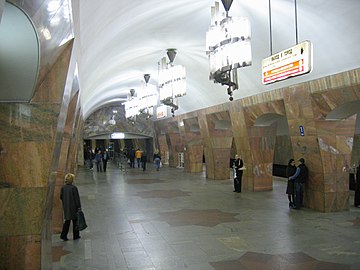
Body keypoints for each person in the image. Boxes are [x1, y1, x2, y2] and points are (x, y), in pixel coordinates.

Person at [60, 173, 82, 241]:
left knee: (67, 221)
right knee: (75, 221)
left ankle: (63, 235)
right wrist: (79, 207)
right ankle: (76, 235)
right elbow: (77, 199)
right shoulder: (74, 188)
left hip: (66, 207)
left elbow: (61, 197)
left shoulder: (63, 187)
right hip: (73, 208)